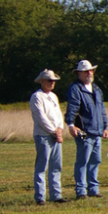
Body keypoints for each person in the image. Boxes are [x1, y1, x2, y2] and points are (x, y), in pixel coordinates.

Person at [65, 59, 108, 199]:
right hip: (84, 131)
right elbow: (72, 109)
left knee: (96, 160)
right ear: (79, 74)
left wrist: (105, 126)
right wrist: (71, 125)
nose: (89, 73)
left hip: (97, 131)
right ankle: (81, 191)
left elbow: (101, 109)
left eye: (90, 70)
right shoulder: (75, 89)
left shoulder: (96, 89)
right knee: (83, 160)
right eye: (86, 71)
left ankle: (93, 189)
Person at [29, 69, 67, 205]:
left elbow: (58, 115)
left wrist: (60, 129)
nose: (52, 83)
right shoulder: (37, 97)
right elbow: (41, 117)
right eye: (49, 80)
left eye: (54, 81)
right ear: (42, 81)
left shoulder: (54, 96)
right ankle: (40, 197)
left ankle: (56, 194)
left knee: (56, 166)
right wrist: (54, 131)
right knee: (42, 166)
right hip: (43, 136)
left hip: (56, 136)